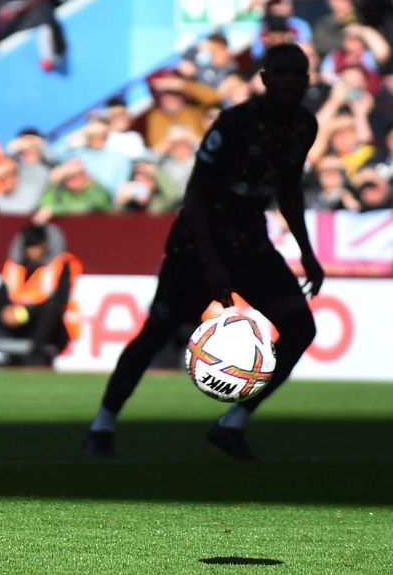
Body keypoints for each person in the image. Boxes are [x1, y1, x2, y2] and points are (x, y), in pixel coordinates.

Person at [84, 44, 325, 461]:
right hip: (197, 244)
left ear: (307, 81)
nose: (288, 80)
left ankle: (232, 423)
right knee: (156, 332)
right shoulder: (235, 123)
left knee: (301, 327)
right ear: (264, 79)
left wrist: (307, 252)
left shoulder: (304, 126)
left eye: (296, 73)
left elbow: (289, 189)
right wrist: (212, 266)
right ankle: (102, 423)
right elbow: (196, 193)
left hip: (250, 242)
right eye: (280, 72)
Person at [0, 222, 81, 367]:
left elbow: (60, 299)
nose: (33, 252)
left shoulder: (59, 265)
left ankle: (33, 353)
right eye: (29, 248)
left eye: (36, 247)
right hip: (12, 319)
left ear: (45, 246)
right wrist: (7, 312)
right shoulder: (15, 267)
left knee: (51, 309)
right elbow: (0, 295)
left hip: (40, 321)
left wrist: (26, 311)